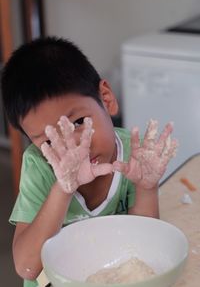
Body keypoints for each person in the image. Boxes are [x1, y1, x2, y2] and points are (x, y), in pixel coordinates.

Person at [1, 36, 178, 287]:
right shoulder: (39, 167)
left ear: (106, 98)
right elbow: (27, 266)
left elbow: (143, 243)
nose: (75, 149)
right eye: (50, 141)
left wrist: (147, 188)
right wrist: (64, 187)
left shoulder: (131, 154)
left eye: (78, 123)